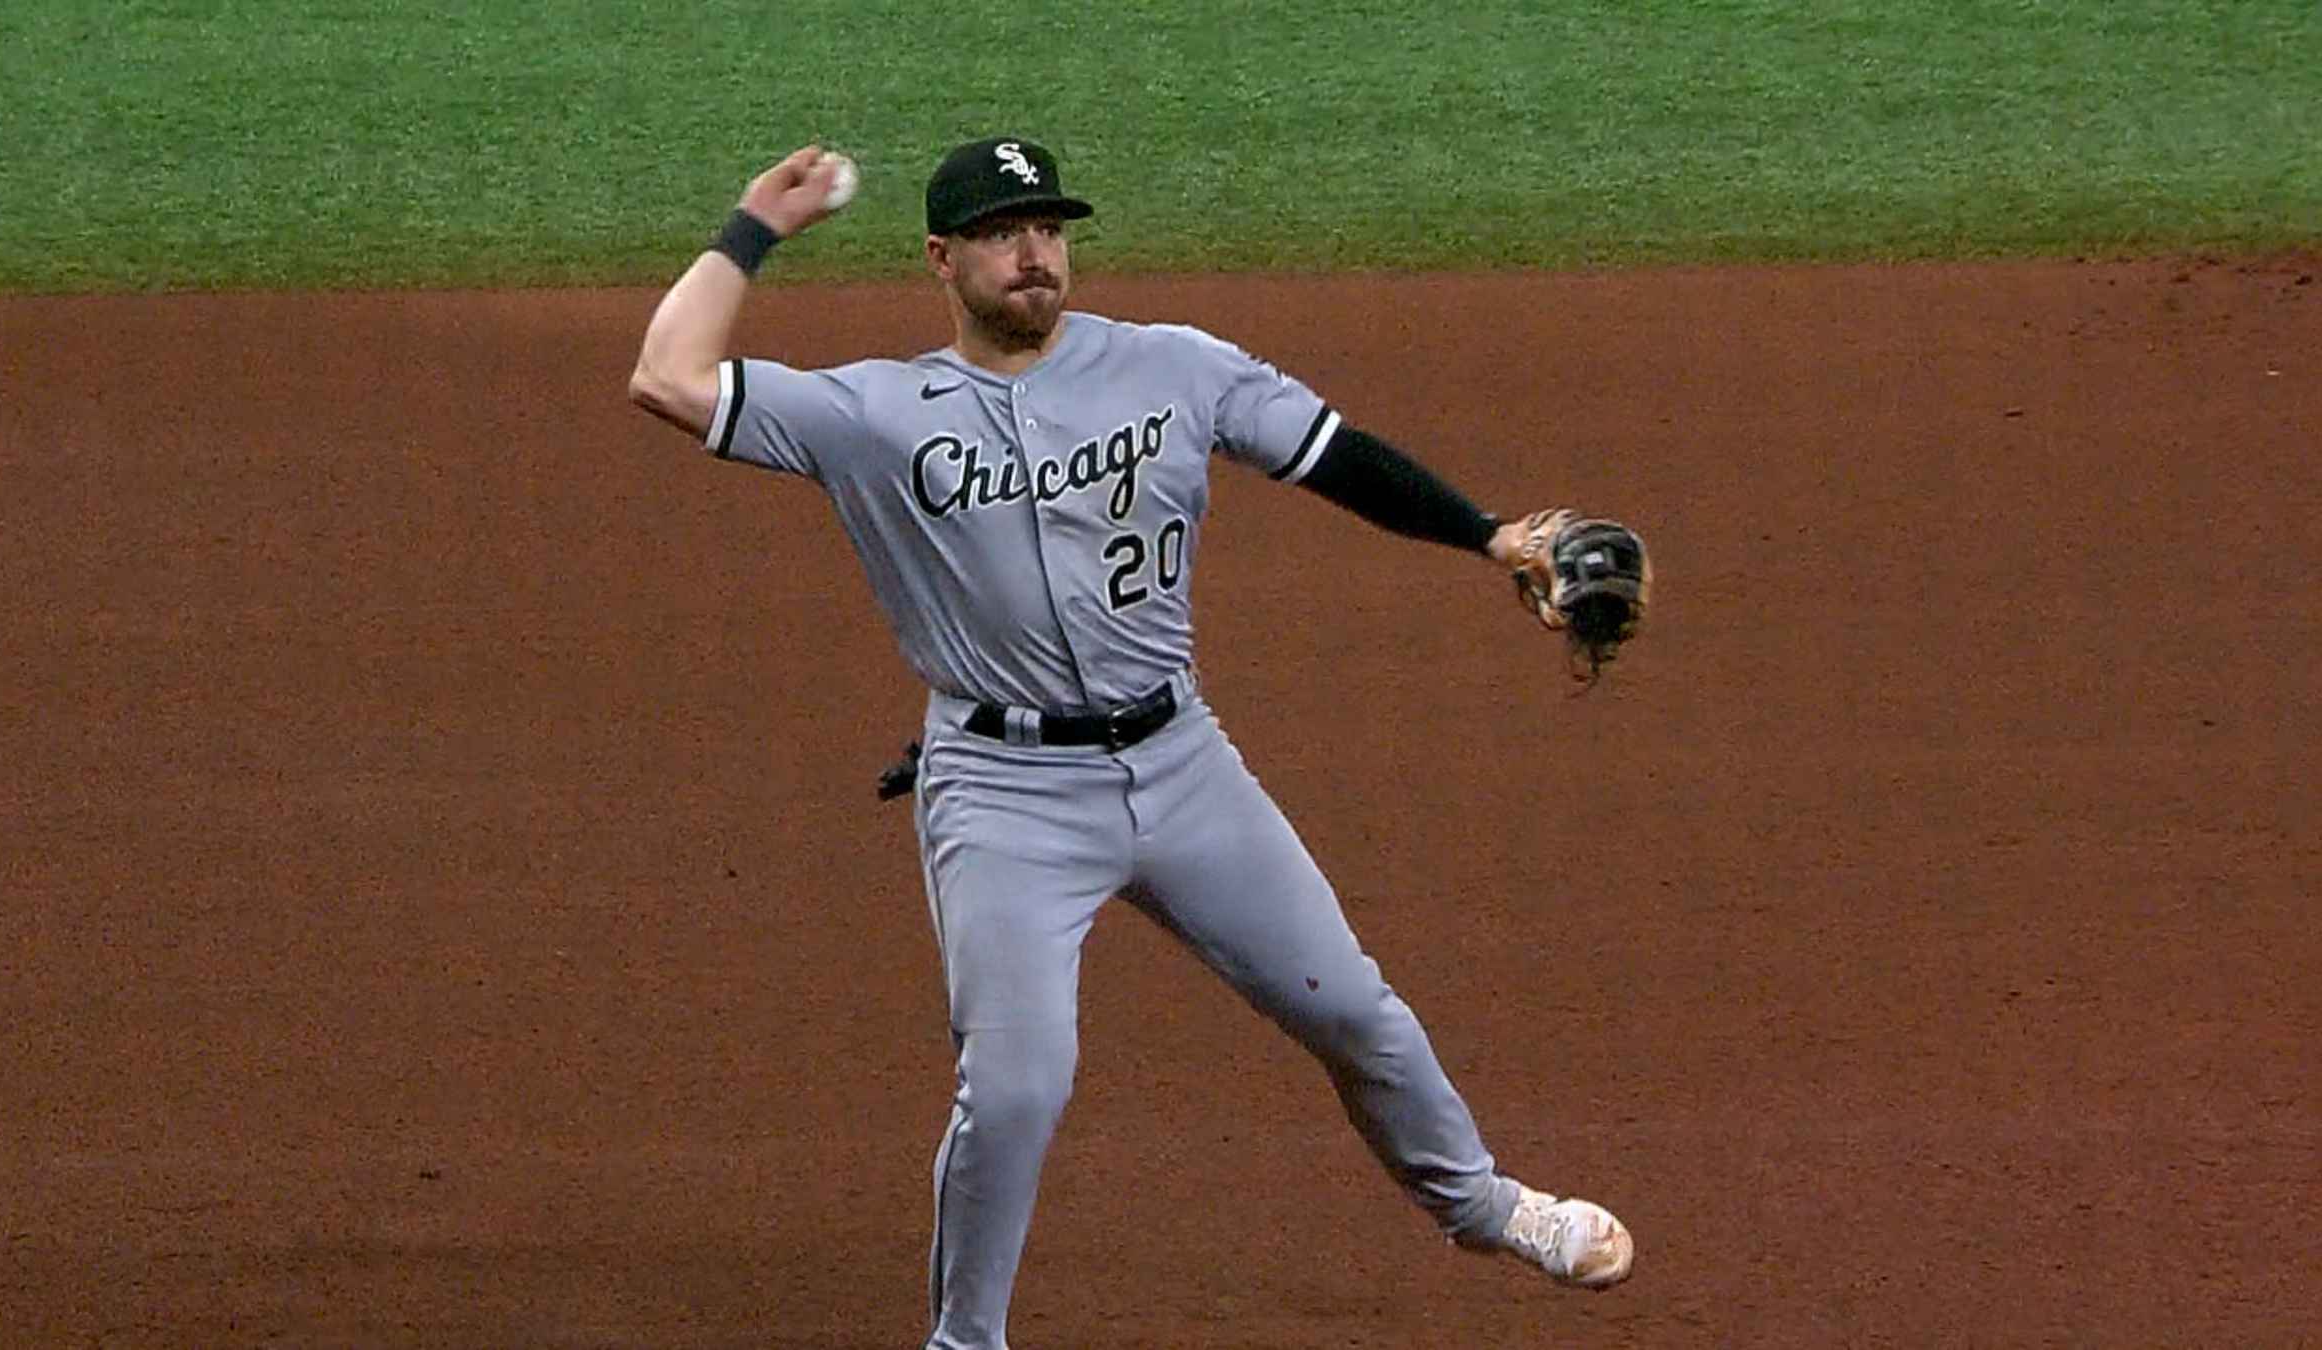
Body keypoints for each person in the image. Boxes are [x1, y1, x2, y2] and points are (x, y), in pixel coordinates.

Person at [629, 137, 1634, 1350]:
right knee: (1014, 1090)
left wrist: (1485, 537)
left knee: (1355, 1013)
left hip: (1181, 764)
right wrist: (754, 226)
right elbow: (669, 378)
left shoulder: (1174, 367)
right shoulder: (874, 413)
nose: (1034, 251)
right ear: (944, 260)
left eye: (1049, 226)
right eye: (1003, 232)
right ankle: (966, 1343)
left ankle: (1483, 1208)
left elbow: (1332, 454)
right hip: (1003, 793)